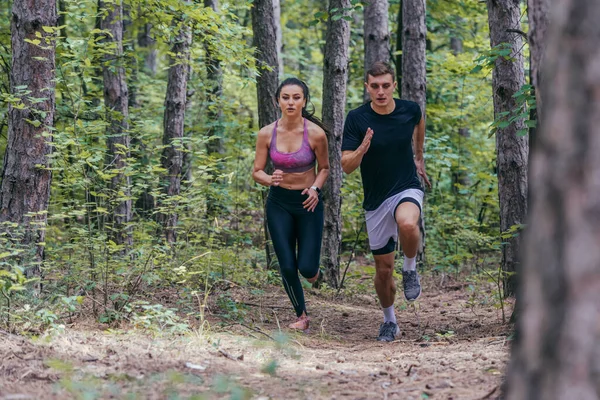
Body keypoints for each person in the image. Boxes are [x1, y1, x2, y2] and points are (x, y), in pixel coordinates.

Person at [341, 62, 431, 342]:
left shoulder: (409, 110)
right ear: (367, 88)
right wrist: (362, 149)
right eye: (374, 86)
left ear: (394, 86)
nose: (380, 91)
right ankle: (389, 321)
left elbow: (419, 122)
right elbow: (346, 166)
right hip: (376, 200)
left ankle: (410, 268)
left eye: (385, 85)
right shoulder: (356, 118)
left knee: (408, 223)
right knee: (382, 271)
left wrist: (419, 156)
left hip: (406, 187)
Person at [252, 78, 330, 332]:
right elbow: (257, 172)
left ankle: (312, 271)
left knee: (306, 267)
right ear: (278, 101)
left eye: (296, 97)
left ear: (304, 101)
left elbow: (325, 169)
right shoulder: (266, 133)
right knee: (286, 264)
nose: (291, 102)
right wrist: (269, 178)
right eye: (285, 97)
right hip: (279, 203)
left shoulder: (315, 134)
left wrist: (316, 189)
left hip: (308, 202)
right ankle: (302, 316)